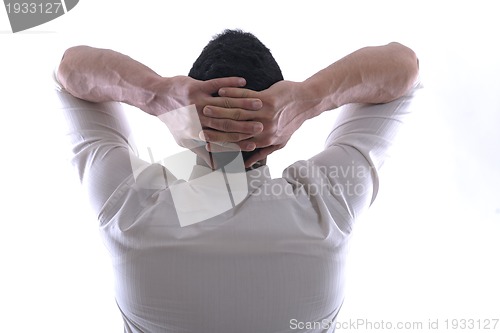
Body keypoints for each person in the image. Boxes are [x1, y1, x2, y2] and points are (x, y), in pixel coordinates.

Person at [55, 29, 420, 332]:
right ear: (280, 123)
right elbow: (404, 68)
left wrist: (158, 94)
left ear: (188, 125)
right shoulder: (326, 212)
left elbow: (70, 72)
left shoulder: (130, 215)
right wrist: (309, 98)